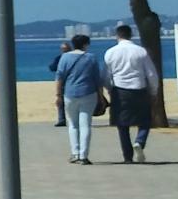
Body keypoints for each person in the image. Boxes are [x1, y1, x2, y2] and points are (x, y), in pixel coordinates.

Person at [103, 25, 161, 164]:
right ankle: (140, 141)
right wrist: (153, 91)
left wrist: (110, 89)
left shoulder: (110, 52)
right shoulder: (140, 51)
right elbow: (151, 74)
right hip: (139, 89)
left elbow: (106, 76)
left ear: (117, 36)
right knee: (145, 120)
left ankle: (127, 156)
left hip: (120, 90)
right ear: (131, 35)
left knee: (122, 124)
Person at [54, 35, 107, 164]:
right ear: (86, 44)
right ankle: (84, 155)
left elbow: (59, 77)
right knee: (85, 125)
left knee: (73, 124)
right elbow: (97, 79)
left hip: (70, 93)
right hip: (88, 93)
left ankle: (75, 153)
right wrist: (101, 97)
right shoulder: (91, 58)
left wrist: (58, 95)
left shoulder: (65, 57)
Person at [48, 42, 72, 127]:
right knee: (61, 101)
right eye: (63, 49)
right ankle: (61, 119)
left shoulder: (63, 58)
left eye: (65, 49)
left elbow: (52, 68)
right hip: (63, 82)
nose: (64, 50)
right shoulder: (59, 58)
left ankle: (63, 119)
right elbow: (52, 67)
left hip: (69, 81)